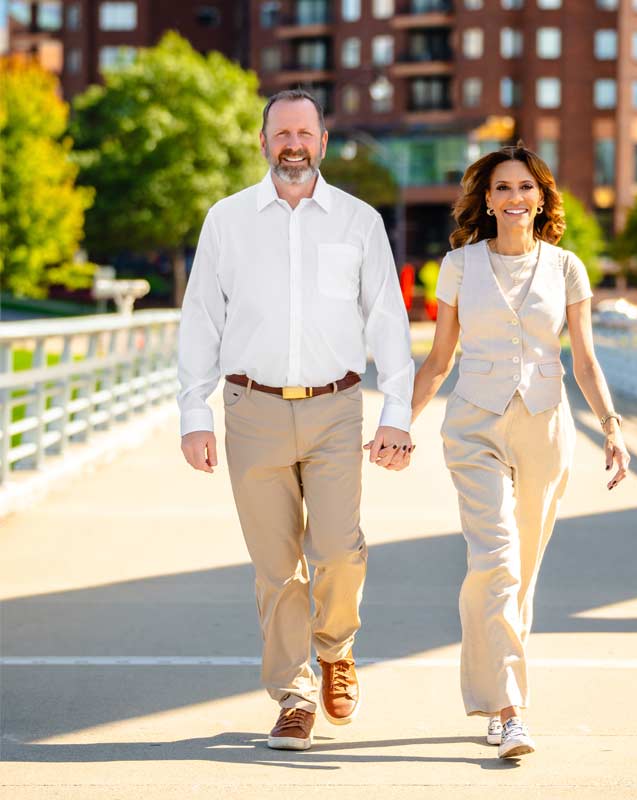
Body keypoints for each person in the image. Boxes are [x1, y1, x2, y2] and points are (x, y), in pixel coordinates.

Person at [177, 89, 414, 752]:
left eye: (304, 133)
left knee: (338, 550)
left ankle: (336, 650)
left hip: (336, 407)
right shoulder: (226, 221)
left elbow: (387, 319)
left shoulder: (359, 221)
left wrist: (397, 412)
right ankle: (294, 695)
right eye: (281, 133)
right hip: (250, 408)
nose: (293, 144)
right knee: (276, 567)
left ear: (322, 143)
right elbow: (201, 318)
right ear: (263, 142)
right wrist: (194, 411)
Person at [411, 143, 631, 759]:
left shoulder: (566, 268)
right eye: (503, 188)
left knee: (520, 571)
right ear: (487, 199)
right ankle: (510, 711)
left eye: (525, 187)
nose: (514, 197)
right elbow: (439, 358)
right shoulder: (458, 266)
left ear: (541, 198)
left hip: (544, 425)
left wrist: (611, 427)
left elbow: (584, 360)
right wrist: (398, 422)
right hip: (474, 424)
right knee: (496, 560)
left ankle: (492, 694)